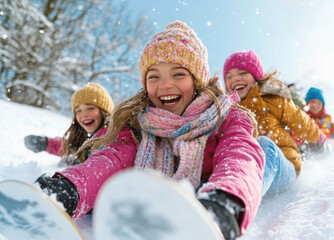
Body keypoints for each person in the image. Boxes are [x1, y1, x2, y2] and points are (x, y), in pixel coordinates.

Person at [34, 21, 265, 239]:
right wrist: (70, 188)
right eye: (154, 76)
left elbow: (239, 156)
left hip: (210, 193)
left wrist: (226, 201)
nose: (165, 85)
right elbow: (112, 159)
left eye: (179, 74)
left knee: (266, 151)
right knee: (110, 190)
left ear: (198, 80)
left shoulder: (227, 116)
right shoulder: (139, 124)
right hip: (163, 195)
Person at [223, 50, 325, 197]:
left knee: (265, 144)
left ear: (255, 75)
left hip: (283, 164)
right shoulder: (229, 111)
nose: (235, 79)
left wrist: (318, 137)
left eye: (242, 73)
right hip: (248, 169)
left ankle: (239, 200)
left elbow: (300, 121)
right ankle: (224, 192)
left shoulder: (271, 98)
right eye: (229, 76)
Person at [24, 82, 114, 166]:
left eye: (90, 108)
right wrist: (46, 143)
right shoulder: (85, 138)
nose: (84, 115)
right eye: (78, 110)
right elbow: (69, 146)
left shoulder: (111, 139)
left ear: (104, 112)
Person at [298, 87, 334, 154]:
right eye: (313, 102)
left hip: (324, 144)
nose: (315, 105)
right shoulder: (304, 116)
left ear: (322, 105)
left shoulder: (325, 118)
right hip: (307, 144)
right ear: (307, 103)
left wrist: (332, 138)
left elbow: (333, 128)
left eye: (319, 103)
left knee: (327, 145)